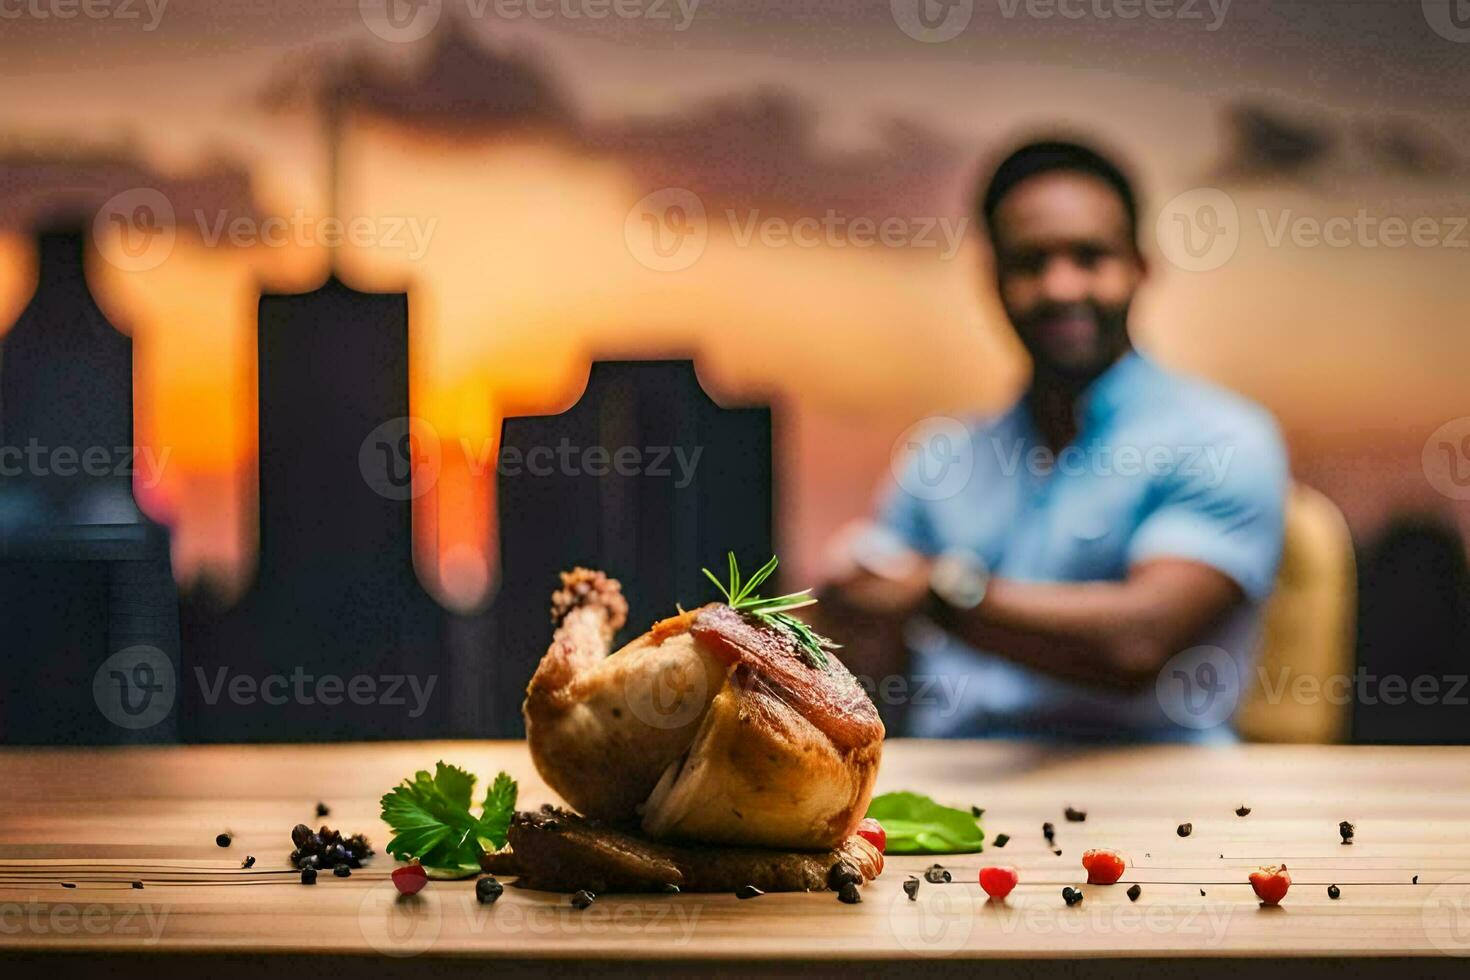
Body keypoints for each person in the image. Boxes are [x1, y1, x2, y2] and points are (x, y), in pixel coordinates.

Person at [821, 140, 1288, 743]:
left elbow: (1137, 642)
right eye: (1030, 262)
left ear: (1140, 267)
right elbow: (870, 664)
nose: (1062, 286)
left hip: (1168, 806)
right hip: (949, 796)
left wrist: (936, 592)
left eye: (1090, 256)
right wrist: (844, 602)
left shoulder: (1223, 438)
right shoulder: (939, 458)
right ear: (993, 280)